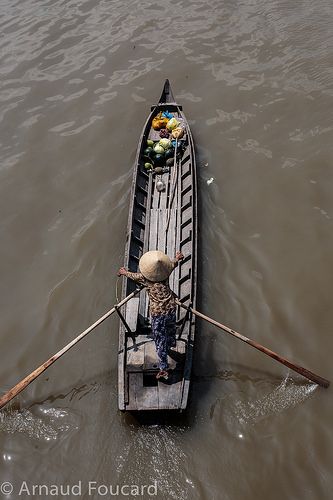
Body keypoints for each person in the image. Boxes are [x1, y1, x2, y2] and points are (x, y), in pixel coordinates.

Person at [118, 250, 184, 380]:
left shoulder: (144, 278)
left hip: (158, 314)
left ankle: (163, 369)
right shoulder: (166, 271)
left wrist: (123, 272)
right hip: (171, 308)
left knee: (159, 340)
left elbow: (132, 276)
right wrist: (177, 257)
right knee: (170, 329)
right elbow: (173, 263)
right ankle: (171, 343)